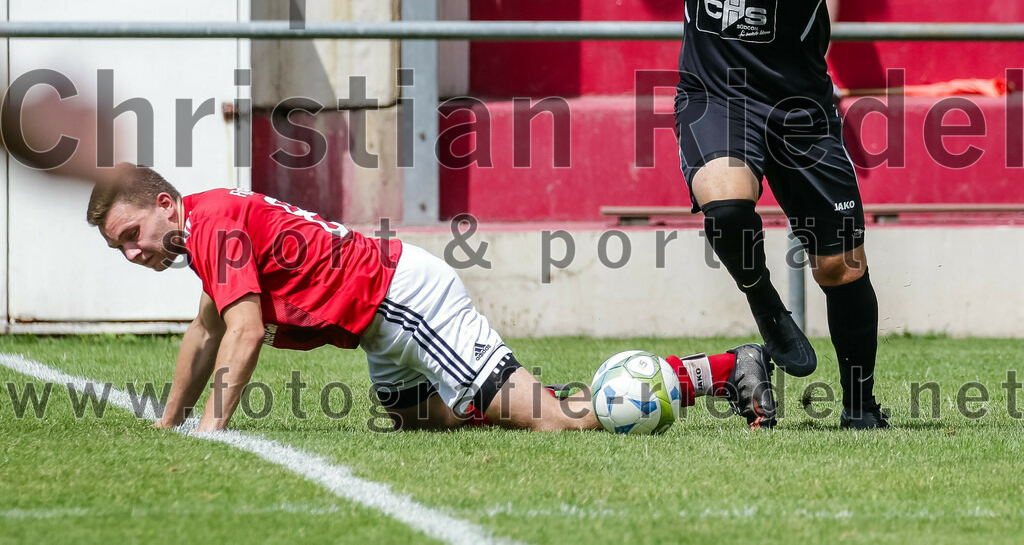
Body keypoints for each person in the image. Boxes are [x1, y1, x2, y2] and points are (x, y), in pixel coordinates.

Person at [495, 0, 892, 429]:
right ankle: (765, 305)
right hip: (716, 96)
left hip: (802, 108)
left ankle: (862, 407)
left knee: (841, 265)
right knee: (727, 204)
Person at [86, 164, 778, 432]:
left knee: (557, 424)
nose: (133, 251)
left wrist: (211, 431)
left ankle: (724, 369)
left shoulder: (210, 224)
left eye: (132, 234)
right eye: (120, 246)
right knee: (424, 422)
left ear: (165, 205)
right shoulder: (204, 222)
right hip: (379, 324)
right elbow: (204, 333)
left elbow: (242, 332)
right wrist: (166, 423)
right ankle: (509, 394)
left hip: (401, 302)